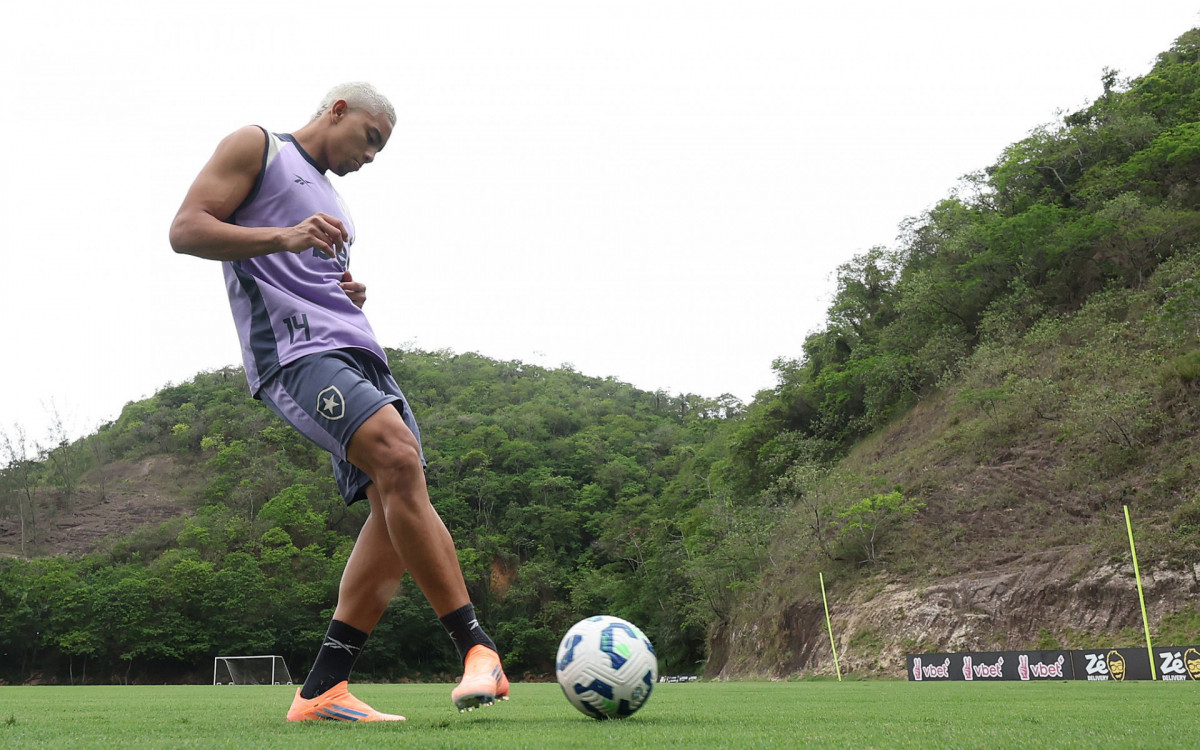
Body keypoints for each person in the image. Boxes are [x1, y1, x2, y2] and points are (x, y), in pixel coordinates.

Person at [169, 82, 508, 721]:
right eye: (370, 139)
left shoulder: (337, 203)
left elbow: (308, 268)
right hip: (296, 355)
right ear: (338, 111)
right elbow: (186, 230)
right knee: (399, 462)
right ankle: (475, 647)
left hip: (359, 349)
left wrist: (342, 290)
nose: (372, 156)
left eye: (382, 150)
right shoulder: (258, 146)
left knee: (395, 501)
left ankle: (323, 687)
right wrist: (288, 236)